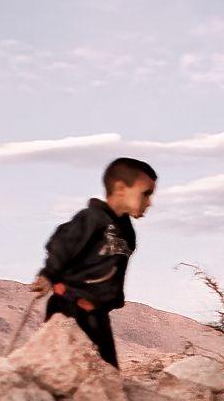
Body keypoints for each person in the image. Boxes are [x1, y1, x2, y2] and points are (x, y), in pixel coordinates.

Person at [32, 157, 156, 369]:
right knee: (63, 372)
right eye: (145, 193)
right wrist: (48, 275)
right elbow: (63, 244)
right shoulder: (90, 219)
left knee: (107, 373)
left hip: (97, 315)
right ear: (120, 188)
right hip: (69, 309)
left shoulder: (127, 232)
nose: (150, 202)